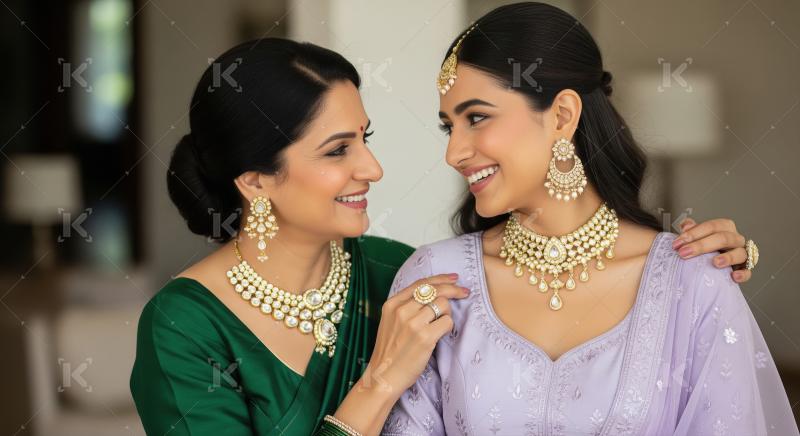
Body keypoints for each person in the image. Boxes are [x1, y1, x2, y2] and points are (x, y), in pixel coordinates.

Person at [130, 36, 757, 436]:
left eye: (365, 139)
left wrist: (695, 264)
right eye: (337, 149)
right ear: (257, 180)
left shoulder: (403, 275)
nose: (372, 169)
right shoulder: (184, 327)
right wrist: (377, 385)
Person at [381, 3, 795, 435]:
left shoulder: (690, 282)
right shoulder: (435, 281)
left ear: (562, 115)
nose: (454, 153)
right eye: (450, 127)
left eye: (477, 117)